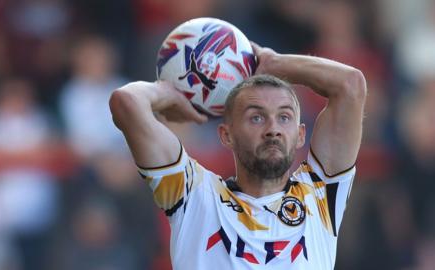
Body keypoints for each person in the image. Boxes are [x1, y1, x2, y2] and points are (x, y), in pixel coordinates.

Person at [109, 43, 366, 269]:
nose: (273, 129)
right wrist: (171, 93)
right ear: (226, 135)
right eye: (256, 117)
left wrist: (275, 63)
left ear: (300, 135)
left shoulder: (320, 195)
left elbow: (350, 85)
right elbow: (127, 102)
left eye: (284, 117)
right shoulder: (193, 196)